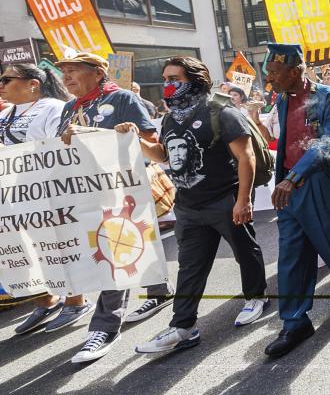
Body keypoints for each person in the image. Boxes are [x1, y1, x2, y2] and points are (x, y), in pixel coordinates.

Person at [114, 57, 268, 354]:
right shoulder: (172, 117)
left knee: (245, 252)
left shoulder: (221, 112)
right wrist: (137, 139)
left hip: (224, 201)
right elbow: (163, 155)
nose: (167, 85)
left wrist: (243, 200)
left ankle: (255, 297)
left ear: (195, 80)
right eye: (165, 79)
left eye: (174, 79)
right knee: (190, 268)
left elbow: (246, 157)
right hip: (188, 207)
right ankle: (183, 327)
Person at [55, 53, 174, 362]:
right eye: (63, 72)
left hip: (122, 193)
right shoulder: (70, 108)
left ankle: (105, 327)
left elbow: (150, 144)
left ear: (97, 73)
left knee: (112, 254)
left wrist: (115, 137)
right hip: (87, 194)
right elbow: (60, 154)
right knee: (133, 245)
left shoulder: (123, 99)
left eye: (73, 71)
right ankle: (160, 290)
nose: (66, 77)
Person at [263, 43, 330, 358]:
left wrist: (293, 177)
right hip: (288, 186)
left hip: (316, 180)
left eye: (274, 72)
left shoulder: (328, 95)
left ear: (295, 71)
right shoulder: (281, 99)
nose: (270, 79)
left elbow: (327, 141)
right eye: (267, 72)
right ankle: (294, 322)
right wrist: (285, 176)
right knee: (291, 254)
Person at [2, 63, 95, 335]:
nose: (2, 84)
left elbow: (58, 147)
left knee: (59, 246)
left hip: (46, 191)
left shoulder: (53, 108)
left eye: (7, 79)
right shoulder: (7, 113)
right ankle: (46, 299)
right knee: (31, 251)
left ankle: (76, 301)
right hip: (13, 195)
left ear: (33, 84)